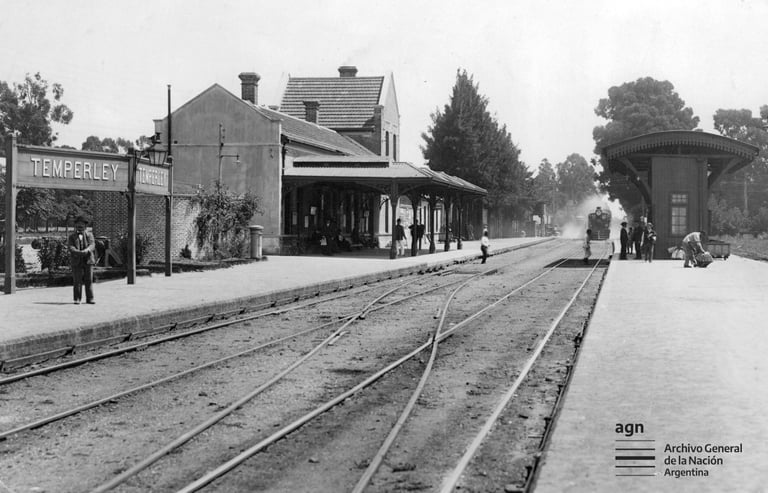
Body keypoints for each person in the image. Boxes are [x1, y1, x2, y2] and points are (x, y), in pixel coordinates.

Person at [67, 216, 96, 305]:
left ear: (85, 226)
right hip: (76, 260)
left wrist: (86, 250)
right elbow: (70, 247)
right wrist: (77, 252)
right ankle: (77, 298)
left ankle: (90, 298)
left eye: (82, 224)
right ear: (75, 225)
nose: (80, 226)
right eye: (78, 224)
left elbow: (92, 245)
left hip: (88, 260)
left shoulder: (89, 235)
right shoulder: (72, 236)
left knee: (89, 280)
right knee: (77, 280)